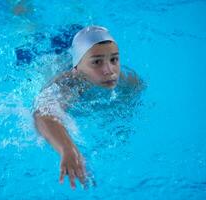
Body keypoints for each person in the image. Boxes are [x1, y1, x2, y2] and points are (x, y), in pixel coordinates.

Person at [33, 25, 143, 189]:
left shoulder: (130, 82)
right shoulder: (69, 84)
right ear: (76, 68)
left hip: (78, 37)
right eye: (97, 62)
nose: (109, 71)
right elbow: (43, 114)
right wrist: (67, 148)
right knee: (28, 25)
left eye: (114, 59)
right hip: (44, 51)